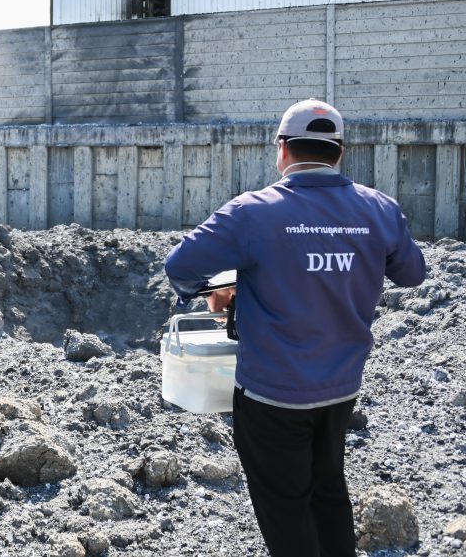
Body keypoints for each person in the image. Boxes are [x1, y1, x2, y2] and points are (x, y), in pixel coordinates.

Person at [164, 99, 426, 557]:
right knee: (328, 491)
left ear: (281, 149)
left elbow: (180, 267)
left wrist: (220, 288)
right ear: (339, 152)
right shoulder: (379, 209)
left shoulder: (253, 212)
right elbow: (411, 273)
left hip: (272, 395)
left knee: (286, 510)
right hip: (341, 387)